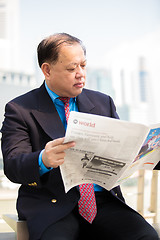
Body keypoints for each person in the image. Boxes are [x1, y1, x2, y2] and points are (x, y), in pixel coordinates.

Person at [1, 33, 159, 240]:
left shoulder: (104, 103)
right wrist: (43, 159)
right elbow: (13, 166)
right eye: (71, 68)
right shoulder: (20, 109)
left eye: (83, 66)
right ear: (47, 70)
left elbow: (125, 149)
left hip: (103, 201)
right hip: (52, 205)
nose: (81, 74)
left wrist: (150, 152)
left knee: (146, 236)